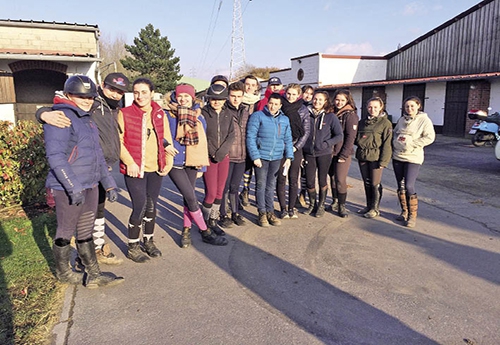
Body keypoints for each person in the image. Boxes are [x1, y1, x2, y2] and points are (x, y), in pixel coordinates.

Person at [36, 73, 130, 265]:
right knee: (69, 227)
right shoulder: (68, 113)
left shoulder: (106, 110)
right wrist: (43, 114)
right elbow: (56, 151)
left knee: (94, 217)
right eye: (111, 89)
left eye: (120, 91)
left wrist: (110, 183)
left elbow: (99, 148)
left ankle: (92, 265)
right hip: (75, 179)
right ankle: (67, 270)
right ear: (102, 86)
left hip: (96, 173)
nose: (115, 94)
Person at [118, 78, 175, 263]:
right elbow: (118, 142)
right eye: (136, 92)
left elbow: (166, 140)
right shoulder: (124, 113)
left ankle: (148, 241)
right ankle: (133, 246)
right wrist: (130, 162)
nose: (140, 96)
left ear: (151, 93)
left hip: (155, 168)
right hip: (135, 169)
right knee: (140, 206)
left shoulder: (159, 113)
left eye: (143, 92)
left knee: (152, 206)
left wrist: (168, 161)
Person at [166, 83, 228, 248]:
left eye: (187, 96)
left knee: (188, 198)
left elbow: (202, 143)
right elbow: (161, 135)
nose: (183, 99)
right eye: (180, 96)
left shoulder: (199, 116)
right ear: (175, 97)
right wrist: (166, 144)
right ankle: (205, 231)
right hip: (176, 162)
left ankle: (186, 230)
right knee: (191, 197)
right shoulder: (168, 115)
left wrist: (202, 167)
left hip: (193, 162)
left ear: (192, 98)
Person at [246, 93, 294, 227]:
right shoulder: (258, 116)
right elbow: (250, 137)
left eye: (276, 104)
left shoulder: (284, 120)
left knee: (271, 186)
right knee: (260, 185)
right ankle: (261, 213)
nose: (273, 106)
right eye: (271, 103)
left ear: (280, 105)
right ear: (267, 102)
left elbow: (288, 139)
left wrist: (289, 157)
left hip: (277, 157)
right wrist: (255, 156)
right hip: (261, 157)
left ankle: (270, 212)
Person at [392, 96, 435, 227]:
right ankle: (404, 211)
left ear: (418, 106)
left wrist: (412, 144)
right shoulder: (401, 120)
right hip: (398, 156)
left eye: (412, 106)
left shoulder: (424, 120)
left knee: (409, 185)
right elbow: (395, 134)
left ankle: (412, 215)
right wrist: (395, 142)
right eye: (407, 106)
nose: (409, 109)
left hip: (413, 158)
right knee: (401, 185)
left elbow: (430, 137)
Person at [302, 91, 344, 217]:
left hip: (324, 153)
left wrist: (326, 144)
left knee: (322, 180)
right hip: (308, 153)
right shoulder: (305, 114)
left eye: (320, 100)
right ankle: (312, 204)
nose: (317, 102)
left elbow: (339, 135)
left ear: (325, 102)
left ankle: (321, 205)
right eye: (315, 99)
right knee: (309, 181)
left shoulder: (330, 117)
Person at [201, 83, 235, 235]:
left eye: (220, 99)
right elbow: (203, 135)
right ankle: (204, 221)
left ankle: (213, 220)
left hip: (224, 156)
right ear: (209, 99)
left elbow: (231, 135)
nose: (216, 102)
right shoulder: (203, 113)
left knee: (220, 191)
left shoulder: (228, 114)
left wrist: (222, 152)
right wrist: (213, 153)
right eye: (213, 99)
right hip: (209, 157)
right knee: (211, 192)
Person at [276, 84, 310, 219]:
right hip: (281, 148)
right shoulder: (280, 106)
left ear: (299, 95)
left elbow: (306, 131)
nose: (290, 96)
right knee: (281, 178)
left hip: (296, 148)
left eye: (294, 94)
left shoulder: (303, 110)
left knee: (293, 178)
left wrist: (296, 147)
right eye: (288, 93)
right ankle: (283, 208)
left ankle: (291, 208)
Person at [355, 97, 393, 218]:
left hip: (376, 157)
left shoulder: (385, 123)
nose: (372, 110)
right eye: (370, 107)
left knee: (375, 183)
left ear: (381, 107)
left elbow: (387, 143)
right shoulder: (362, 122)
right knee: (366, 182)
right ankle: (368, 205)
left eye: (375, 107)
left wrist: (384, 161)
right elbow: (357, 138)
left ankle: (375, 208)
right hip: (363, 155)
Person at [219, 81, 250, 228]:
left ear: (243, 96)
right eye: (233, 96)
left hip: (242, 155)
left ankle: (235, 213)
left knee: (235, 187)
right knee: (224, 187)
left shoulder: (246, 111)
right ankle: (223, 214)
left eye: (239, 96)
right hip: (227, 155)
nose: (236, 99)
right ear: (228, 96)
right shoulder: (224, 111)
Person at [328, 89, 358, 218]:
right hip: (330, 151)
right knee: (332, 178)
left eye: (342, 100)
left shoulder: (350, 115)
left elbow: (351, 137)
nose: (339, 102)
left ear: (347, 101)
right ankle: (334, 201)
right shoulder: (331, 112)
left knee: (340, 179)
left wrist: (344, 154)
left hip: (342, 152)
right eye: (337, 100)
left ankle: (342, 205)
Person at [239, 75, 262, 207]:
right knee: (242, 166)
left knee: (253, 164)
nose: (250, 87)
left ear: (257, 87)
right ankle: (243, 190)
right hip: (240, 138)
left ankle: (248, 190)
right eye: (247, 84)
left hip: (255, 138)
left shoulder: (259, 102)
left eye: (253, 85)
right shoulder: (239, 100)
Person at [297, 85, 316, 208]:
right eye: (305, 93)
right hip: (298, 143)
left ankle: (303, 194)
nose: (308, 96)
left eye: (310, 94)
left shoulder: (314, 108)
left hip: (309, 145)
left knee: (306, 173)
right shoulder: (298, 106)